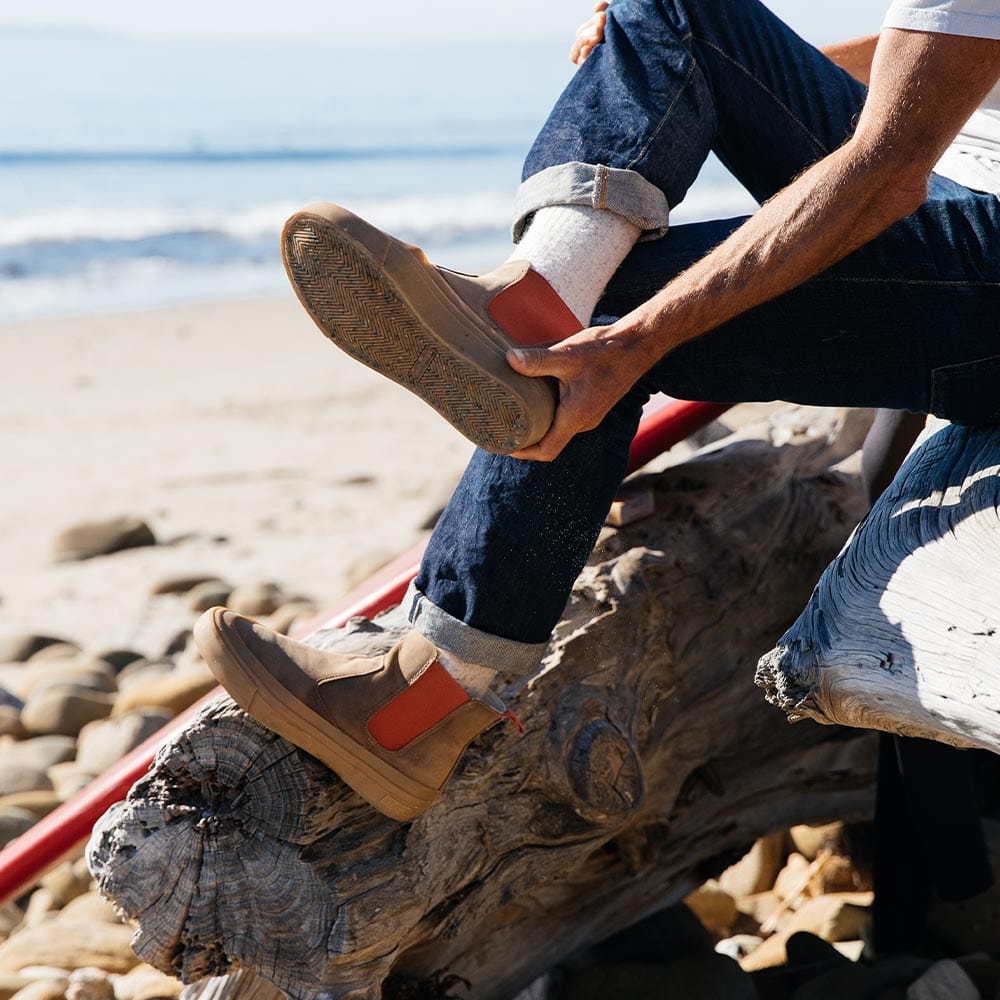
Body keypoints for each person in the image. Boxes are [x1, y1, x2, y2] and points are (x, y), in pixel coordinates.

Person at [195, 0, 1000, 826]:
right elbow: (956, 56)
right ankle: (537, 294)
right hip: (960, 181)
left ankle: (422, 704)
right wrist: (682, 69)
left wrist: (637, 341)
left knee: (598, 333)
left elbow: (887, 172)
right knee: (675, 15)